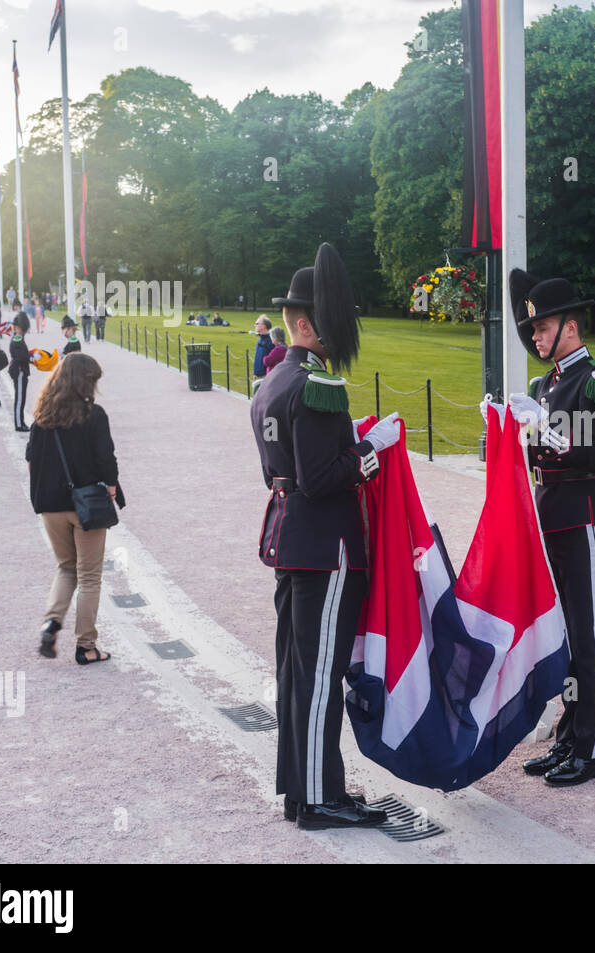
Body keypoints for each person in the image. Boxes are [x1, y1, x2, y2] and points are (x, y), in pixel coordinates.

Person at [251, 242, 401, 829]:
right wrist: (371, 449)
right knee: (318, 679)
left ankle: (303, 787)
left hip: (291, 542)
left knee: (297, 673)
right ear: (307, 324)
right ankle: (319, 797)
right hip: (328, 548)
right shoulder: (317, 386)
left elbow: (283, 470)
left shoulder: (273, 380)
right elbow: (321, 478)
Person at [504, 271, 595, 787]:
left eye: (542, 326)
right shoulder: (544, 384)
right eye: (532, 328)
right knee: (567, 639)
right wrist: (513, 427)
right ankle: (568, 738)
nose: (534, 336)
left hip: (587, 515)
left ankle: (592, 750)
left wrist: (542, 425)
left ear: (570, 327)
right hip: (551, 514)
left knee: (590, 636)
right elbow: (534, 455)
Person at [25, 353, 125, 664]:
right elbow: (105, 458)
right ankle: (86, 646)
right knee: (90, 575)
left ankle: (51, 622)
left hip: (50, 506)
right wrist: (111, 486)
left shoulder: (42, 417)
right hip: (87, 505)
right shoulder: (94, 415)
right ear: (86, 381)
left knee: (66, 567)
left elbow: (31, 462)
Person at [8, 311, 32, 431]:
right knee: (19, 399)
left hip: (20, 369)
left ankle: (21, 421)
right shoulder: (17, 338)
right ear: (18, 328)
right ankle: (18, 423)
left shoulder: (19, 337)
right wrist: (31, 358)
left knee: (21, 398)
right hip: (19, 370)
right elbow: (21, 356)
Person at [253, 315, 273, 379]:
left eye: (257, 323)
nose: (254, 325)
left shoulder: (271, 341)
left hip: (266, 377)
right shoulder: (260, 341)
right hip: (257, 376)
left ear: (264, 326)